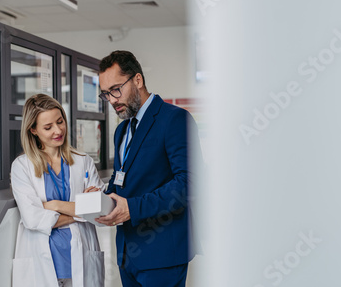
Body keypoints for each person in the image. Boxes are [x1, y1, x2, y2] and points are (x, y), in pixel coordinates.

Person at [96, 50, 203, 287]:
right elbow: (122, 179)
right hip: (127, 253)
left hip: (162, 253)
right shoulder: (121, 131)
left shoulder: (174, 119)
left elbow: (189, 183)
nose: (112, 100)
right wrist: (101, 197)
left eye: (116, 89)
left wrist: (132, 208)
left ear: (137, 80)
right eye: (106, 94)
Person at [11, 94, 105, 287]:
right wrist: (82, 210)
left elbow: (101, 211)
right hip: (42, 260)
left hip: (81, 256)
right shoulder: (22, 166)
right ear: (33, 130)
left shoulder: (83, 161)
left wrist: (55, 205)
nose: (58, 130)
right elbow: (33, 218)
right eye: (48, 127)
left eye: (60, 121)